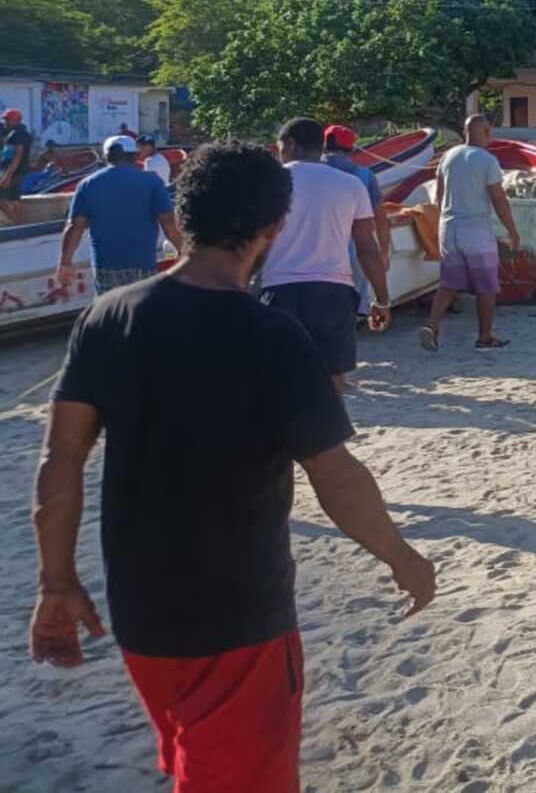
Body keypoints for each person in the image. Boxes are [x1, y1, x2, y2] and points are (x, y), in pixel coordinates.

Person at [30, 140, 436, 792]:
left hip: (141, 618)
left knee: (198, 761)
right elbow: (336, 477)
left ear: (183, 219)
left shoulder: (109, 318)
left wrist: (56, 582)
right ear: (272, 228)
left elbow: (61, 460)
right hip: (239, 621)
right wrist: (402, 556)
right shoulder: (271, 336)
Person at [261, 118, 391, 390]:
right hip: (334, 293)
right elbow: (367, 248)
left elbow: (251, 243)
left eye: (279, 146)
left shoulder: (269, 184)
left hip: (280, 289)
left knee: (283, 378)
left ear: (291, 144)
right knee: (334, 382)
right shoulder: (352, 184)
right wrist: (381, 299)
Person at [419, 115, 522, 351]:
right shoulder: (487, 160)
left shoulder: (448, 156)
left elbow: (439, 196)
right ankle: (484, 337)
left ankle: (431, 325)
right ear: (487, 131)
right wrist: (512, 230)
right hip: (475, 228)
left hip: (449, 226)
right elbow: (499, 199)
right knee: (486, 287)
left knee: (449, 283)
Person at [56, 136, 184, 295]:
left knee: (110, 314)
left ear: (106, 156)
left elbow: (76, 226)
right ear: (135, 156)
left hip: (105, 266)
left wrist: (65, 262)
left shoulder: (88, 184)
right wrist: (183, 251)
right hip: (142, 264)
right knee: (139, 314)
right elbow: (168, 221)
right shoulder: (152, 182)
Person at [324, 125, 392, 318]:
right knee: (349, 316)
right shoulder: (364, 175)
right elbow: (380, 217)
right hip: (354, 253)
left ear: (323, 146)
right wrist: (385, 252)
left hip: (316, 257)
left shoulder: (307, 172)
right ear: (352, 148)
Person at [1, 105, 32, 224]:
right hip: (17, 172)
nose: (6, 122)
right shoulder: (17, 133)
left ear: (16, 120)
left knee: (2, 200)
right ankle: (22, 225)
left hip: (13, 172)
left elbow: (17, 156)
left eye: (8, 120)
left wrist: (7, 176)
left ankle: (18, 225)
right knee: (14, 200)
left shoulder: (19, 135)